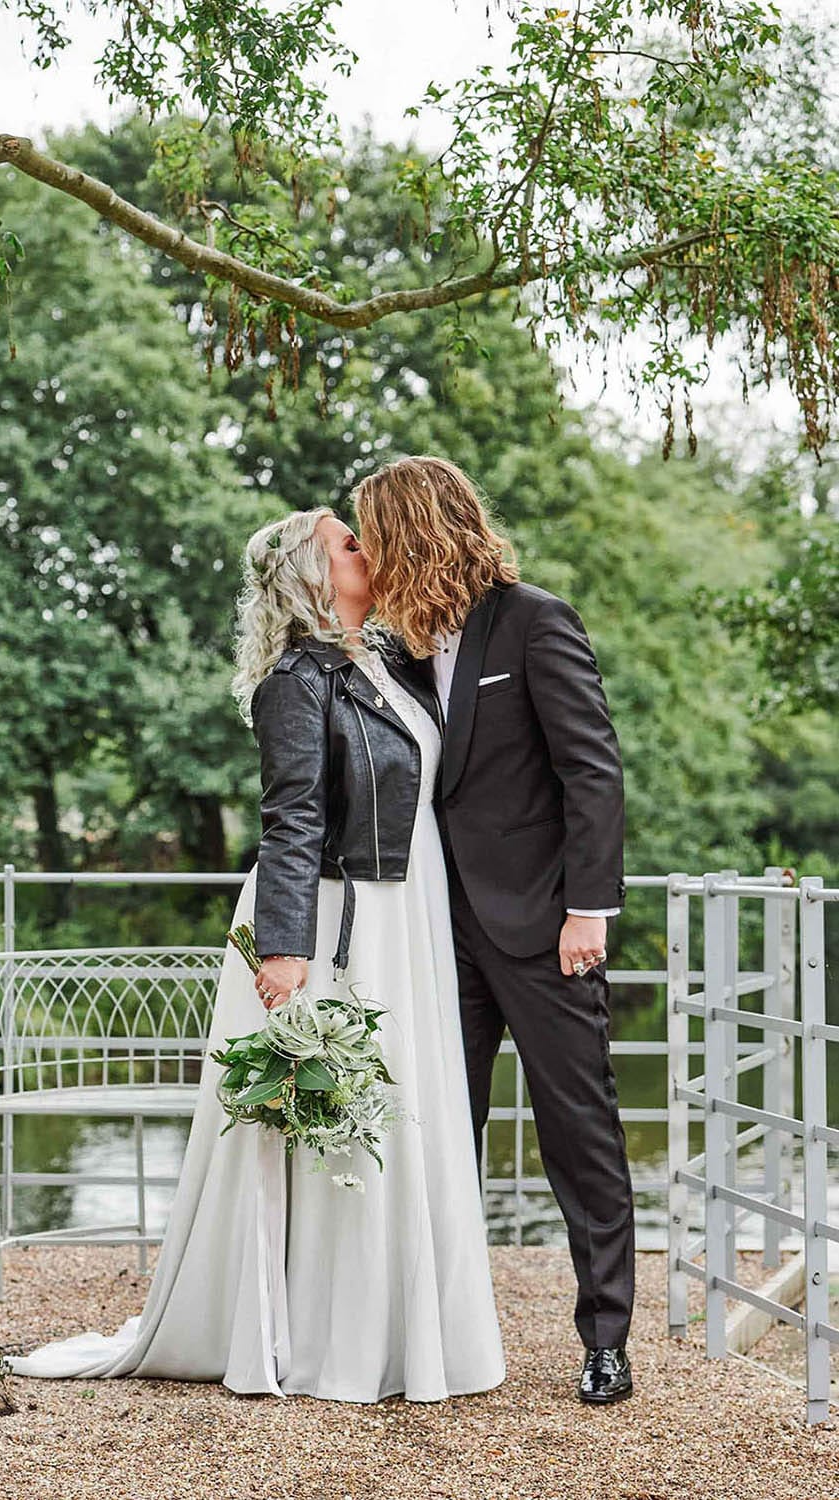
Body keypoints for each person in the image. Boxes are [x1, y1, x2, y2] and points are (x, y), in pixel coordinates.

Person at [6, 505, 505, 1404]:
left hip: (409, 916)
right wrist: (283, 948)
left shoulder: (392, 662)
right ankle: (320, 1334)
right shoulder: (295, 679)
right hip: (333, 919)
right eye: (350, 542)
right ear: (313, 575)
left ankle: (402, 1331)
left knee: (401, 1112)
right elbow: (293, 818)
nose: (370, 548)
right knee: (330, 1117)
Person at [353, 455, 636, 1406]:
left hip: (546, 930)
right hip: (437, 936)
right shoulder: (392, 650)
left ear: (414, 532)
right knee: (441, 1133)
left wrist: (586, 912)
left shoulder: (534, 620)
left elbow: (590, 772)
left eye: (374, 536)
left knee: (579, 1133)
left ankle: (604, 1340)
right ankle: (441, 1336)